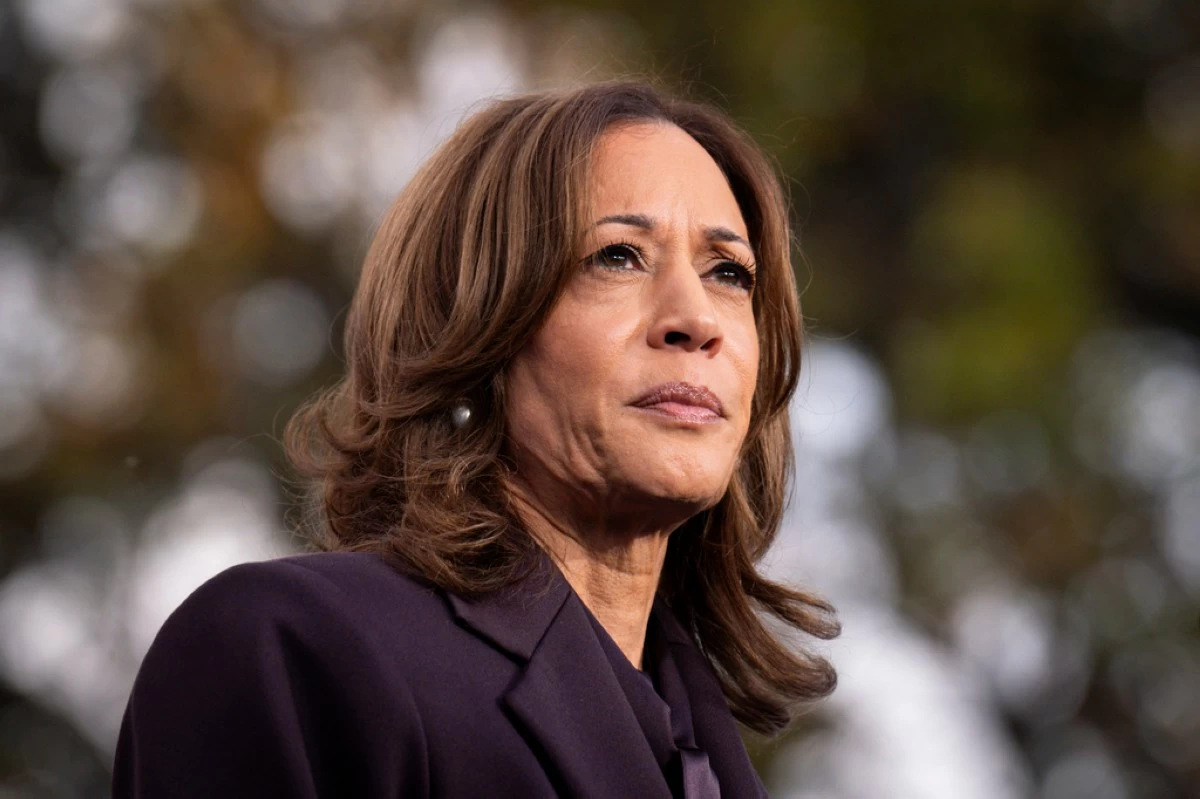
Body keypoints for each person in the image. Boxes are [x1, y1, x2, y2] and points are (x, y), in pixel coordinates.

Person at [112, 80, 839, 798]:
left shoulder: (706, 750)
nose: (696, 319)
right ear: (474, 327)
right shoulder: (287, 654)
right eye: (618, 255)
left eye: (729, 272)